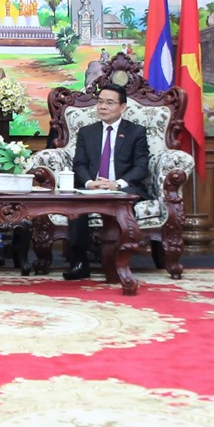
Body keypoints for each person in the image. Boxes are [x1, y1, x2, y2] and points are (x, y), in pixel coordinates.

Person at [63, 81, 152, 281]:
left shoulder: (136, 132)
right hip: (91, 189)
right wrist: (88, 183)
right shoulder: (87, 132)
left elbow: (141, 167)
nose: (103, 107)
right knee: (75, 210)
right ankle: (79, 263)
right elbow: (80, 164)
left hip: (122, 188)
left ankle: (119, 262)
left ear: (122, 107)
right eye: (100, 102)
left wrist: (116, 184)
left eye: (109, 103)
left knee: (122, 211)